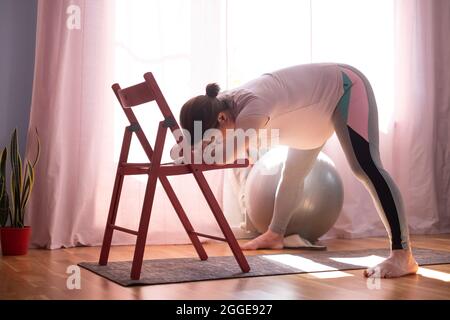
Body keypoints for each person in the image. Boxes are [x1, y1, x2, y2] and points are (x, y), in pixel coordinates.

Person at [179, 63, 418, 278]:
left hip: (345, 88)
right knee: (292, 173)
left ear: (221, 118)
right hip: (311, 115)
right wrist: (191, 145)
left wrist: (187, 151)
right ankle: (275, 234)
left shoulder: (252, 107)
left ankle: (402, 255)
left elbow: (226, 156)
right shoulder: (219, 105)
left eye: (211, 138)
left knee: (365, 167)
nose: (211, 142)